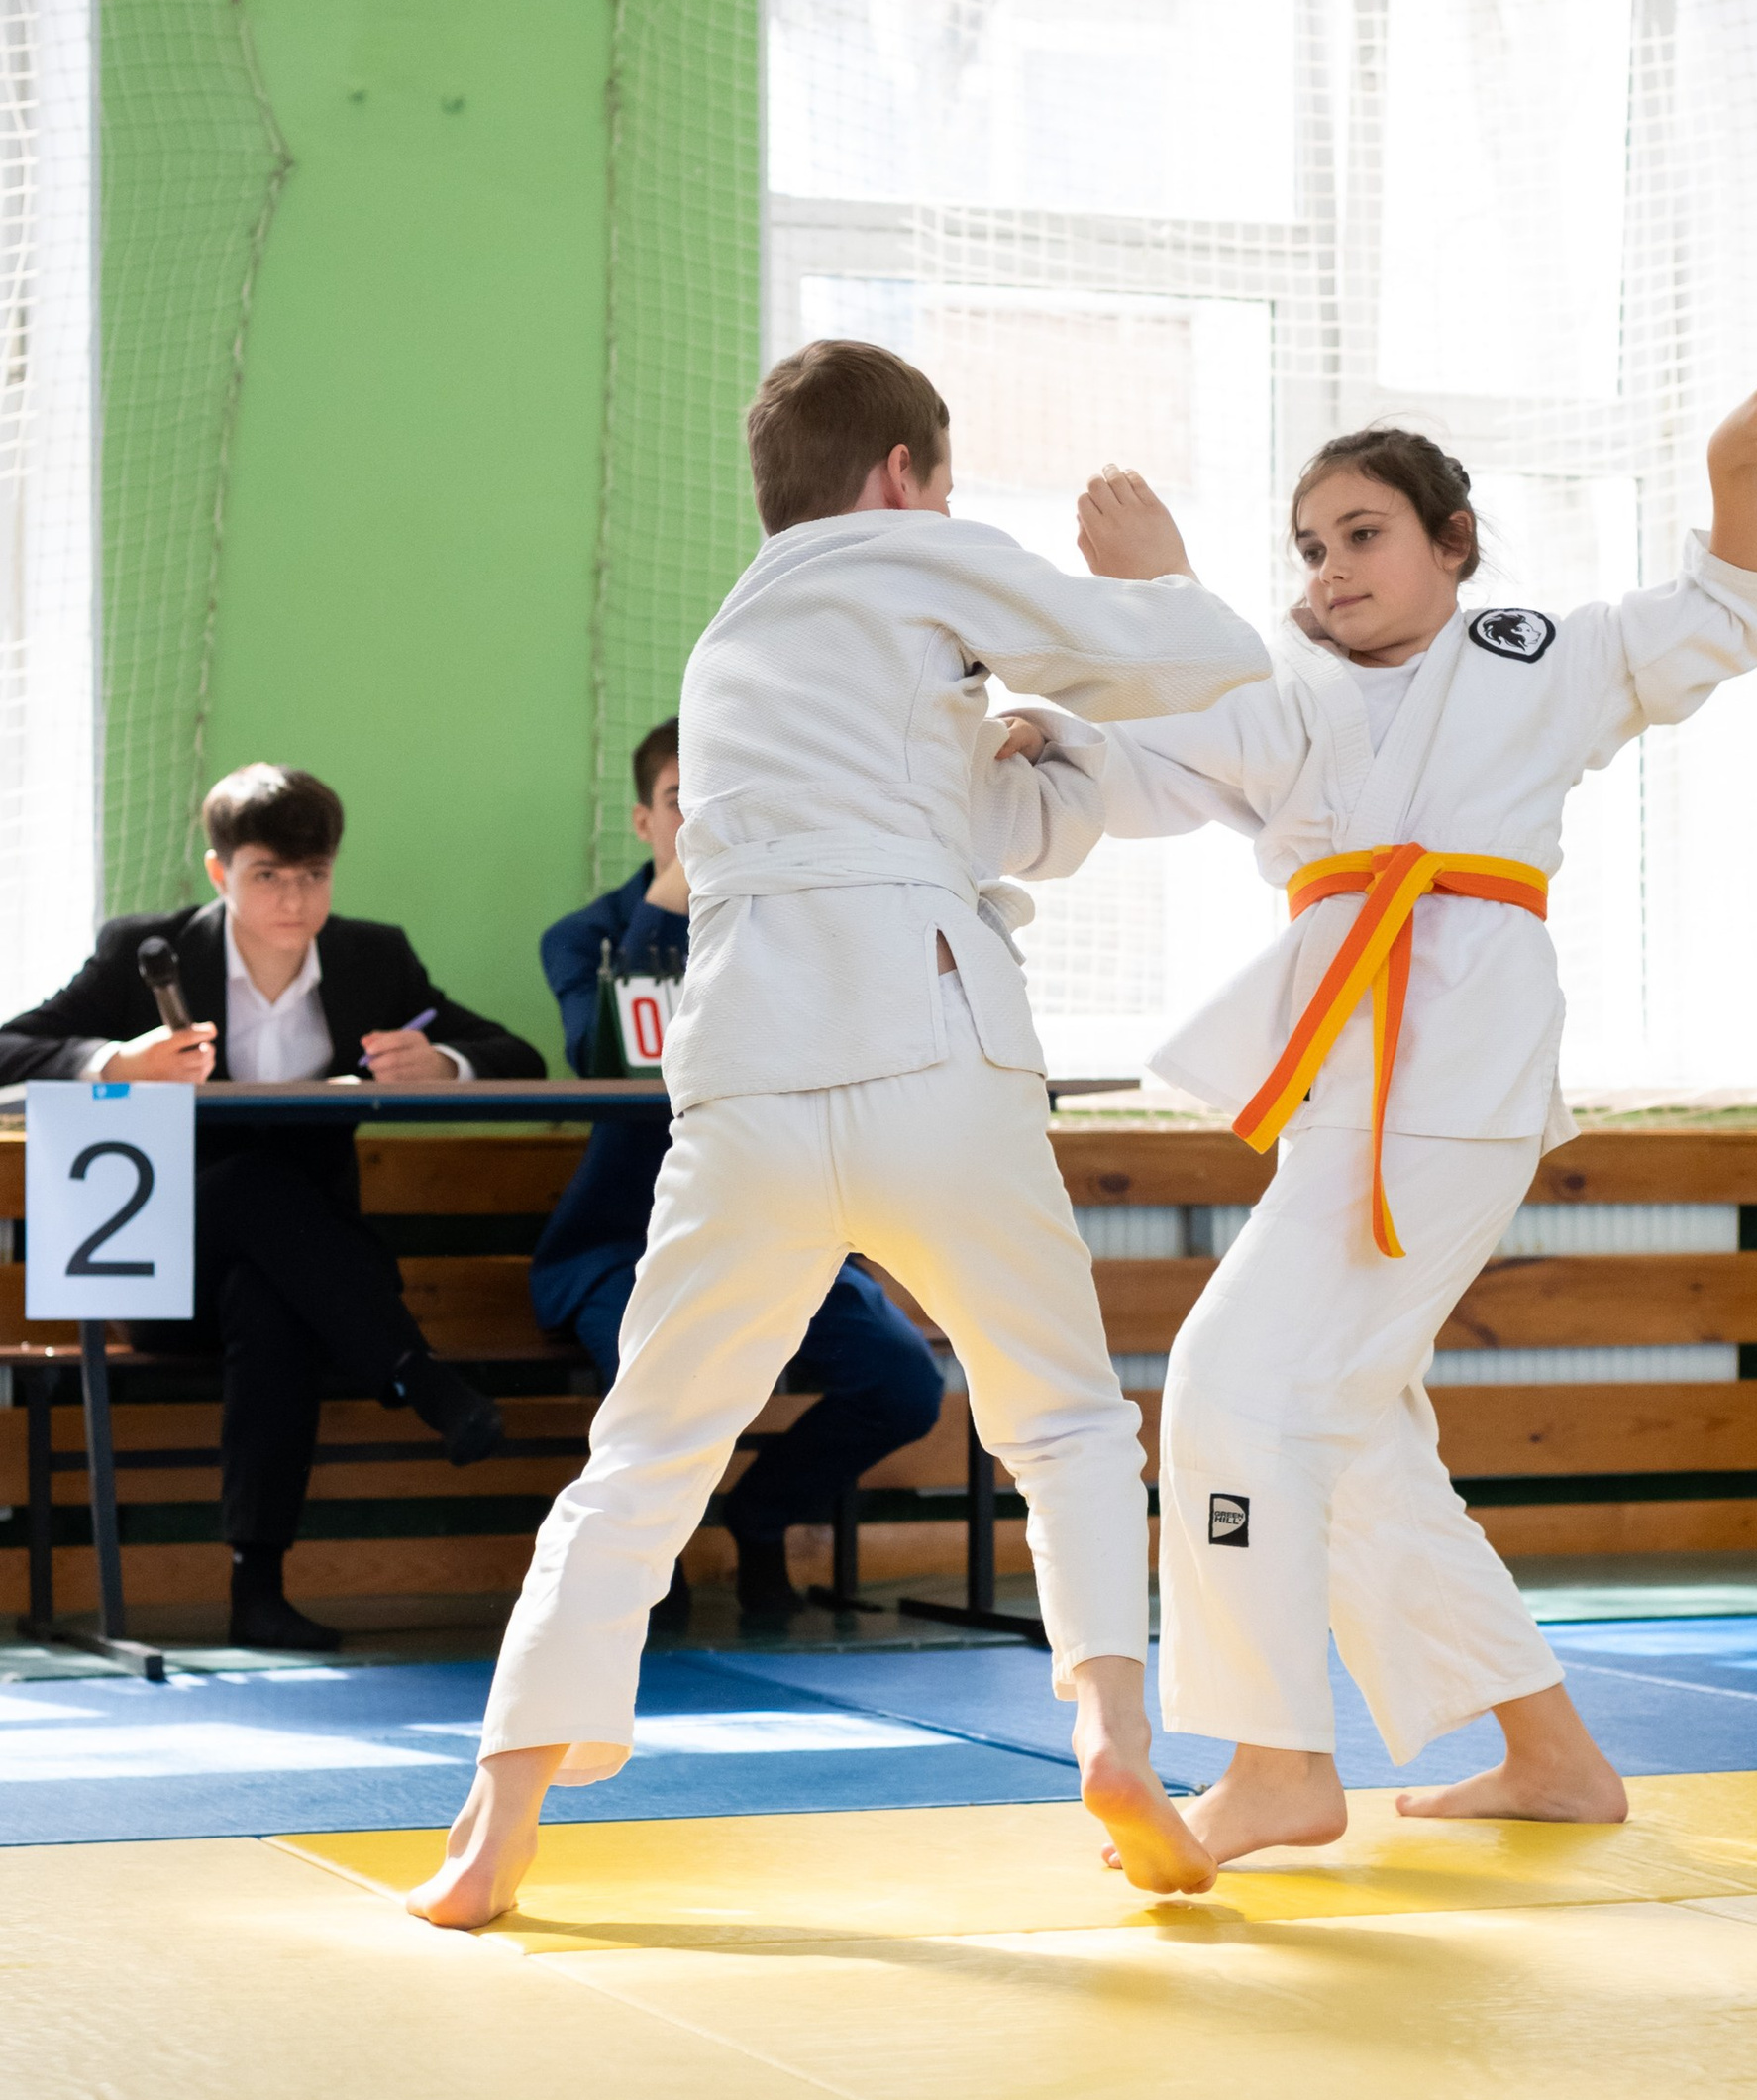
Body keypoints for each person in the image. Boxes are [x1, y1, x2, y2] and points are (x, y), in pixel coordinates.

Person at [407, 337, 1271, 1928]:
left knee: (647, 1451)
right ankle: (1114, 1737)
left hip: (749, 1078)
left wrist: (1030, 746)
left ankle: (495, 1815)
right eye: (940, 484)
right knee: (1067, 1424)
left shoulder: (732, 647)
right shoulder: (913, 553)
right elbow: (1195, 661)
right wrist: (1160, 572)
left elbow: (1007, 822)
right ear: (901, 474)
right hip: (930, 1043)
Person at [1023, 389, 1757, 1868]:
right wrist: (1081, 688)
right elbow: (1145, 766)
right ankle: (1553, 1757)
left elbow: (1736, 608)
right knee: (1351, 1435)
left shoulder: (1544, 660)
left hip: (1459, 1063)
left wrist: (1726, 469)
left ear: (1453, 542)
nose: (1330, 566)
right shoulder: (1283, 691)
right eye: (1310, 545)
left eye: (1363, 533)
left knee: (1234, 1380)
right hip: (1351, 1078)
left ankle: (1274, 1764)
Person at [0, 763, 546, 1646]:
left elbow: (517, 1056)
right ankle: (418, 1375)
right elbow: (9, 1051)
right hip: (157, 1274)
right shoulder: (144, 952)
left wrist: (445, 1064)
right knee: (248, 1182)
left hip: (314, 1285)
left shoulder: (373, 960)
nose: (293, 899)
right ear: (220, 872)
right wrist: (117, 1064)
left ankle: (257, 1589)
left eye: (312, 875)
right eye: (267, 875)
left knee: (270, 1295)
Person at [534, 714, 946, 1628]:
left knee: (902, 1384)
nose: (706, 819)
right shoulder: (584, 938)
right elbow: (600, 1060)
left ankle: (761, 1517)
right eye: (683, 802)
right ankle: (653, 1561)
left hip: (776, 1225)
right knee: (657, 1381)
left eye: (724, 797)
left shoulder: (793, 928)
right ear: (645, 820)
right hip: (627, 1241)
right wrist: (666, 911)